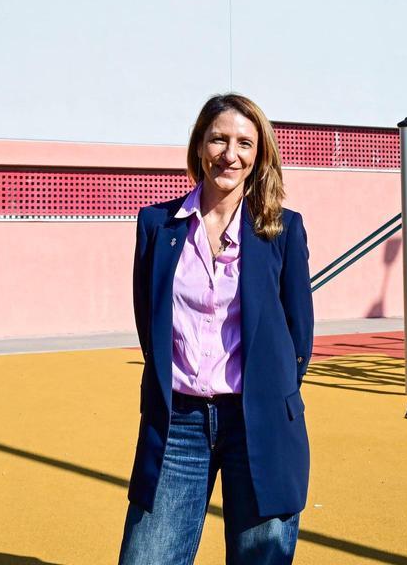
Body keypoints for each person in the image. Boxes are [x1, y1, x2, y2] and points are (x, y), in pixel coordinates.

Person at [120, 93, 313, 565]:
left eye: (245, 143)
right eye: (218, 139)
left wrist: (271, 392)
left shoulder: (282, 229)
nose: (230, 154)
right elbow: (150, 324)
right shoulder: (157, 225)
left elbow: (298, 336)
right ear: (199, 147)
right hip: (178, 423)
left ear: (259, 154)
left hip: (259, 423)